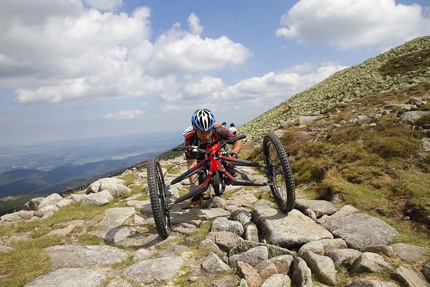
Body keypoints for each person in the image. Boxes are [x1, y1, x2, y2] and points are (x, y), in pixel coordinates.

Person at [184, 109, 243, 205]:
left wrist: (233, 154)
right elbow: (191, 165)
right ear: (195, 129)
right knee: (200, 174)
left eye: (209, 132)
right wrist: (196, 191)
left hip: (219, 151)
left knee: (230, 163)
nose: (206, 137)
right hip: (201, 155)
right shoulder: (190, 138)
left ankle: (228, 174)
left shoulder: (219, 130)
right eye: (202, 133)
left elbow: (238, 141)